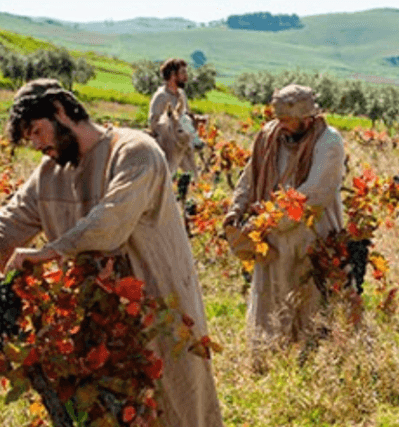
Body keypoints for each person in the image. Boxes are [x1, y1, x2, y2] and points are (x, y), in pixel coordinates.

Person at [0, 79, 223, 427]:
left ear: (60, 111)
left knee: (176, 405)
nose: (37, 144)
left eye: (37, 131)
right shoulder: (49, 173)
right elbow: (9, 224)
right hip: (94, 322)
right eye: (30, 138)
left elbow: (110, 222)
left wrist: (48, 253)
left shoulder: (135, 151)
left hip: (157, 309)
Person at [224, 84, 345, 348]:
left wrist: (268, 219)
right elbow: (249, 178)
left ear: (307, 118)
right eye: (279, 118)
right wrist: (236, 210)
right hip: (273, 243)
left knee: (310, 304)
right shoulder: (270, 137)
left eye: (288, 120)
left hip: (310, 238)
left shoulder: (329, 142)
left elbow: (314, 193)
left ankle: (311, 356)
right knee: (271, 306)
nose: (282, 125)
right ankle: (270, 355)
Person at [149, 58, 189, 134]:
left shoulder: (181, 94)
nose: (186, 76)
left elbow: (186, 116)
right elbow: (153, 125)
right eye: (183, 72)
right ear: (173, 75)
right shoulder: (161, 96)